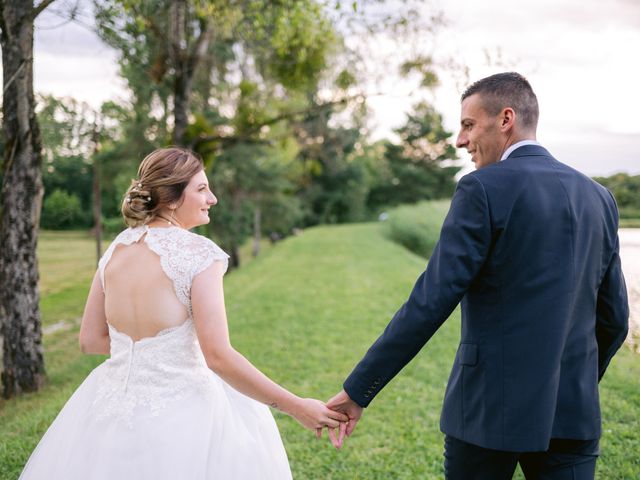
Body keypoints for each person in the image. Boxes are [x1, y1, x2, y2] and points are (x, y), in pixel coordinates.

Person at [327, 72, 629, 479]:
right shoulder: (599, 197)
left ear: (506, 119)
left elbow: (430, 302)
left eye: (468, 125)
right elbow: (614, 318)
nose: (460, 140)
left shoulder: (481, 189)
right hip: (573, 411)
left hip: (489, 411)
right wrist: (573, 380)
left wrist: (359, 389)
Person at [20, 147, 347, 479]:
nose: (213, 198)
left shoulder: (116, 248)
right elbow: (217, 355)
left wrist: (149, 356)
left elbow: (91, 340)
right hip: (183, 413)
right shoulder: (200, 254)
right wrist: (296, 407)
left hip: (107, 409)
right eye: (202, 189)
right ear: (173, 199)